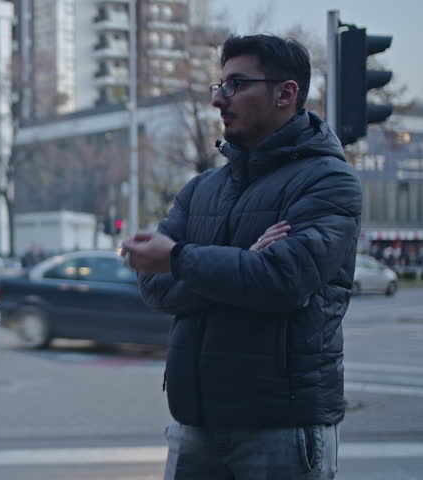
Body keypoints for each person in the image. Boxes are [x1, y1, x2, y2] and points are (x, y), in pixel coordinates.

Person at [122, 34, 361, 479]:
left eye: (236, 85)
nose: (219, 100)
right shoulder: (200, 190)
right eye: (219, 86)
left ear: (285, 93)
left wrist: (182, 260)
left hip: (281, 429)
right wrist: (239, 262)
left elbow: (282, 281)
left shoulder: (329, 181)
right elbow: (155, 287)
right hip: (195, 424)